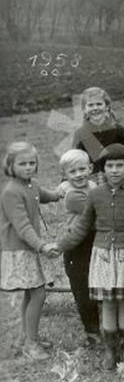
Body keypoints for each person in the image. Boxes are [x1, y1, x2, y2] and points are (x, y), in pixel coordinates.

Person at [57, 144, 124, 371]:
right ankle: (110, 350)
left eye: (119, 165)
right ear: (102, 169)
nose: (114, 170)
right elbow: (81, 227)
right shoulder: (95, 194)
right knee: (108, 303)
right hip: (103, 256)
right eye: (110, 166)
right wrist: (59, 246)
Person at [0, 142, 61, 360]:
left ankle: (26, 337)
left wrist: (59, 193)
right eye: (22, 163)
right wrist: (42, 246)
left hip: (30, 248)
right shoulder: (11, 192)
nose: (28, 167)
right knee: (38, 293)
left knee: (31, 292)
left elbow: (43, 195)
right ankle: (31, 344)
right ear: (10, 166)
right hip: (20, 250)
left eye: (32, 163)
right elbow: (23, 226)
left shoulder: (31, 184)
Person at [58, 149, 101, 347]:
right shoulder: (73, 195)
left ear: (90, 168)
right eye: (72, 171)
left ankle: (104, 326)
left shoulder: (93, 185)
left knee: (97, 284)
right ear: (65, 174)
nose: (78, 175)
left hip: (94, 239)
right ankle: (92, 331)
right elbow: (97, 214)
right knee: (83, 289)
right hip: (77, 244)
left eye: (82, 169)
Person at [71, 87, 124, 177]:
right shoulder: (81, 133)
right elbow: (74, 160)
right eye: (90, 105)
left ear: (107, 106)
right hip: (93, 177)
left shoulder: (117, 129)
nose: (95, 108)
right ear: (84, 109)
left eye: (99, 104)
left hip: (116, 174)